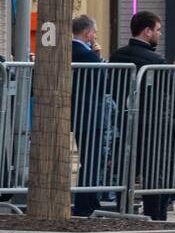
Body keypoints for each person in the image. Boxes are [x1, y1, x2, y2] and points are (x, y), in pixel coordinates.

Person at [109, 11, 169, 221]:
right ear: (147, 31)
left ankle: (123, 209)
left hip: (123, 121)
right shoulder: (155, 60)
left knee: (125, 168)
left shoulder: (116, 56)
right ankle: (155, 215)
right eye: (158, 30)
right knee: (152, 171)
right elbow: (170, 89)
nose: (159, 35)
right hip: (151, 124)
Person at [70, 14, 105, 216]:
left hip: (72, 112)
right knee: (91, 160)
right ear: (88, 33)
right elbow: (103, 85)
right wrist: (98, 58)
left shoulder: (65, 51)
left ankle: (87, 200)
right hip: (90, 115)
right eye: (95, 32)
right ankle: (87, 202)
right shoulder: (89, 56)